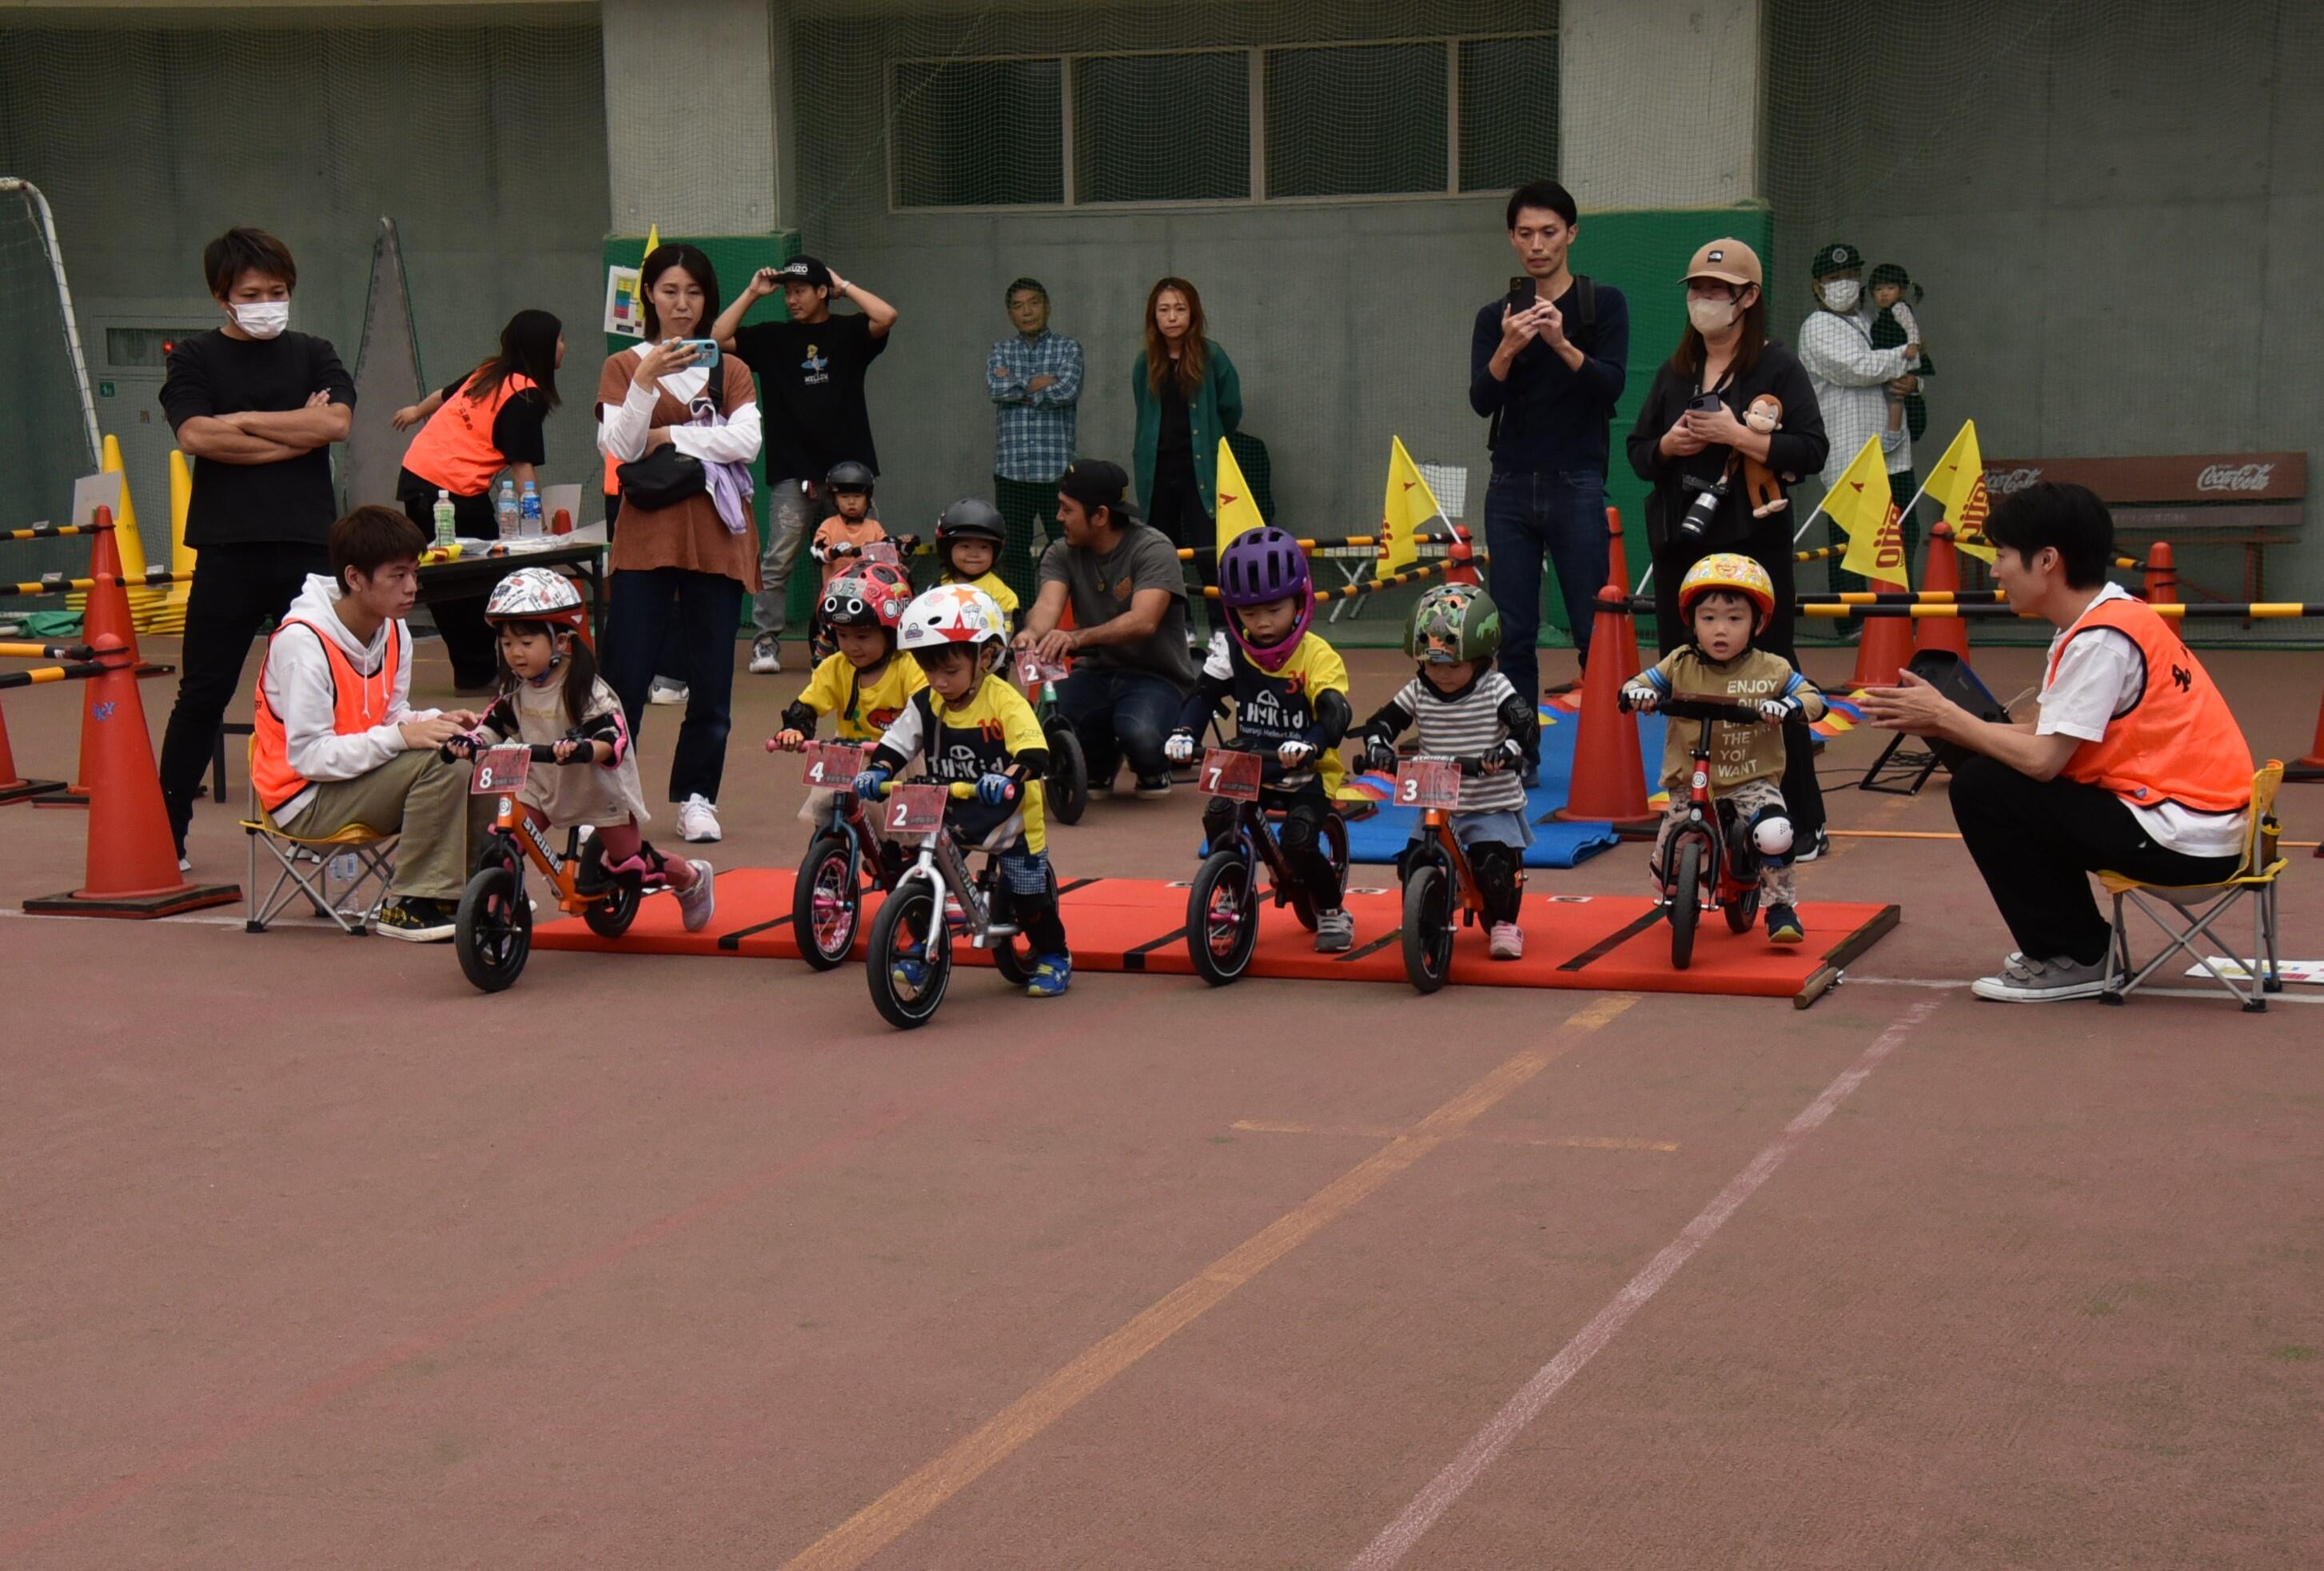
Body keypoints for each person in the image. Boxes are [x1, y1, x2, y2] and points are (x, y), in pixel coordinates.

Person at [1858, 482, 2255, 1003]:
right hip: (2198, 825)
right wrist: (1943, 722)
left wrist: (1949, 718)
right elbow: (2043, 737)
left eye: (2001, 555)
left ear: (2046, 560)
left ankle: (2074, 954)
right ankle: (2080, 947)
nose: (1995, 570)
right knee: (1990, 770)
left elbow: (2043, 761)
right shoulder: (2111, 618)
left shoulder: (2099, 640)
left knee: (1984, 787)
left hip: (2184, 840)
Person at [1625, 237, 1833, 861]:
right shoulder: (1674, 372)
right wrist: (1669, 445)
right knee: (1686, 682)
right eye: (1695, 289)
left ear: (1747, 298)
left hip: (1751, 547)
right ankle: (1708, 819)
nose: (1703, 301)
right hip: (1680, 546)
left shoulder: (1777, 366)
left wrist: (1737, 434)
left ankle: (1799, 820)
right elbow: (1638, 453)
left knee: (1768, 680)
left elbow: (1812, 449)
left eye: (1716, 290)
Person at [157, 226, 356, 863]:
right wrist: (297, 431)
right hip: (227, 547)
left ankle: (323, 824)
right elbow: (195, 437)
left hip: (307, 546)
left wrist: (241, 419)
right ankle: (166, 830)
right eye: (252, 292)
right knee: (204, 693)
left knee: (322, 690)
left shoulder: (313, 350)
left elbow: (337, 422)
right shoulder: (193, 358)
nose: (268, 301)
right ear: (223, 296)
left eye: (278, 290)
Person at [247, 506, 480, 940]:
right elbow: (310, 757)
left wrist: (435, 721)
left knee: (472, 748)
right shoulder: (303, 642)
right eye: (397, 575)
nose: (412, 588)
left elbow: (390, 717)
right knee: (445, 763)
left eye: (414, 572)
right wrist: (401, 737)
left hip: (357, 778)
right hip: (303, 797)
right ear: (354, 578)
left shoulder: (394, 631)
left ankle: (482, 888)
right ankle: (412, 903)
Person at [596, 243, 763, 846]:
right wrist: (645, 384)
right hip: (644, 541)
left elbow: (746, 443)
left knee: (711, 678)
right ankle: (611, 796)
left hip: (717, 541)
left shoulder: (731, 370)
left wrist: (669, 433)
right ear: (648, 295)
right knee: (624, 676)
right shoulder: (623, 365)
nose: (682, 304)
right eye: (669, 290)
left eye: (693, 293)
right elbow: (621, 445)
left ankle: (697, 797)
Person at [452, 567, 716, 931]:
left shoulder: (586, 689)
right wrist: (473, 742)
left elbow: (614, 737)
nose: (515, 653)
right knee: (504, 845)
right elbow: (495, 724)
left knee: (629, 866)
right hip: (543, 785)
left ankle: (690, 878)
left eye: (527, 643)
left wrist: (585, 748)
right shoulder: (517, 690)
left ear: (561, 642)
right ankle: (499, 913)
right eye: (507, 643)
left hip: (597, 788)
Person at [1469, 179, 1632, 738]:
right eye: (1524, 234)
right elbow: (1479, 399)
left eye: (1548, 232)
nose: (1536, 245)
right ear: (1511, 239)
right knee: (1512, 628)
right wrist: (1508, 347)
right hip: (1509, 483)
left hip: (1576, 481)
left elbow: (1610, 386)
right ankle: (1520, 747)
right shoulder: (1495, 315)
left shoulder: (1600, 303)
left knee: (1593, 623)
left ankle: (1608, 750)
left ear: (1571, 234)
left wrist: (1562, 343)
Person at [855, 584, 1073, 999]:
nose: (939, 681)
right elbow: (897, 744)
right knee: (914, 870)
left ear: (986, 657)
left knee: (1029, 898)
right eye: (930, 670)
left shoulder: (1004, 701)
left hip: (1009, 819)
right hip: (952, 810)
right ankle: (923, 941)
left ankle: (1054, 954)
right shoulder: (926, 703)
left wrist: (1007, 777)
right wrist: (878, 770)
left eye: (951, 671)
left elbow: (1033, 751)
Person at [1162, 528, 1355, 952]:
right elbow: (1203, 696)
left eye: (1274, 609)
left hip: (1307, 770)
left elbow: (1335, 711)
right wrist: (1183, 732)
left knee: (1301, 839)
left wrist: (1311, 744)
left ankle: (1331, 908)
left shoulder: (1317, 655)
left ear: (1300, 602)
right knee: (1218, 815)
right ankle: (1230, 883)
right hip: (1251, 761)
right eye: (1249, 614)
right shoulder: (1231, 650)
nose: (1263, 623)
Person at [1622, 554, 1827, 945]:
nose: (1721, 630)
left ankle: (1781, 906)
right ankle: (1673, 887)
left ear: (1758, 623)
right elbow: (1637, 682)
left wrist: (1789, 706)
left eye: (1735, 619)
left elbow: (1813, 697)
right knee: (1671, 855)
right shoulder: (1680, 663)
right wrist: (1639, 695)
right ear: (1692, 622)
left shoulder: (1772, 668)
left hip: (1752, 779)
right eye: (1709, 618)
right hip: (1692, 780)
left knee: (1776, 831)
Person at [709, 256, 899, 676]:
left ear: (821, 292)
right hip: (794, 469)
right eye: (788, 292)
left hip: (851, 474)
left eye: (800, 291)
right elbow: (718, 338)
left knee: (864, 556)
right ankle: (765, 642)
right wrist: (753, 294)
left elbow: (887, 315)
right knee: (778, 559)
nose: (792, 299)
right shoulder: (774, 337)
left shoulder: (849, 331)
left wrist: (842, 283)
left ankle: (861, 637)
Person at [1355, 583, 1541, 960]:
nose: (1442, 674)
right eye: (1432, 663)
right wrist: (1377, 746)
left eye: (1454, 665)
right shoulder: (1419, 690)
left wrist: (1506, 750)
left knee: (1493, 868)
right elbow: (1382, 723)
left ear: (1481, 658)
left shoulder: (1494, 687)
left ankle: (1505, 923)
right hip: (1436, 797)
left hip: (1487, 798)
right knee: (1413, 861)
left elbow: (1526, 726)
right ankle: (1426, 917)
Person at [390, 309, 565, 691]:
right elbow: (523, 469)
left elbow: (442, 395)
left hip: (420, 477)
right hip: (446, 490)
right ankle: (478, 671)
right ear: (542, 347)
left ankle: (479, 668)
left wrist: (416, 411)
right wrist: (539, 526)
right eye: (560, 340)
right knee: (470, 578)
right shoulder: (523, 394)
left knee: (457, 576)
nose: (564, 347)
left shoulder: (489, 373)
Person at [1016, 459, 1199, 799]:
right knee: (1052, 726)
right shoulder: (1061, 552)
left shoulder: (1154, 548)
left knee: (1140, 735)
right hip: (1096, 671)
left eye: (1066, 509)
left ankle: (1151, 769)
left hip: (1155, 674)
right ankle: (1100, 765)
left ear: (1100, 516)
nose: (1059, 518)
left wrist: (1077, 638)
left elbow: (1143, 621)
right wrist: (1032, 633)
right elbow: (1047, 606)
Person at [769, 561, 925, 847]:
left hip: (899, 755)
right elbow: (810, 703)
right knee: (827, 810)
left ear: (891, 632)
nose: (852, 646)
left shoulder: (907, 668)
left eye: (863, 636)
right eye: (843, 635)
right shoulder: (835, 667)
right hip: (851, 751)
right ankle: (830, 859)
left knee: (910, 834)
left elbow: (925, 707)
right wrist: (796, 729)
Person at [1798, 241, 1923, 591]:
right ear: (1817, 285)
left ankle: (1899, 616)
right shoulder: (1817, 327)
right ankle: (1849, 623)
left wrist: (1914, 383)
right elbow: (1856, 369)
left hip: (1892, 449)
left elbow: (1907, 373)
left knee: (1901, 532)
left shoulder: (1873, 320)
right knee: (1851, 541)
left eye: (1852, 275)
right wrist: (1908, 355)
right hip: (1850, 451)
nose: (1845, 283)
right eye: (1835, 277)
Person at [1130, 277, 1241, 556]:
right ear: (1153, 316)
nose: (1172, 317)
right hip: (1158, 470)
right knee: (1161, 555)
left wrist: (1210, 438)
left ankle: (1216, 602)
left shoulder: (1212, 355)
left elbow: (1231, 409)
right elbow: (1143, 415)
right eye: (1163, 309)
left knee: (1208, 553)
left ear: (1193, 313)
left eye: (1180, 309)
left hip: (1200, 468)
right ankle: (1175, 604)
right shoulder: (1146, 362)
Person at [987, 277, 1082, 604]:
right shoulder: (1001, 349)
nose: (1027, 311)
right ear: (1010, 314)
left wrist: (1018, 387)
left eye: (1034, 303)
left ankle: (1069, 618)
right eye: (1018, 305)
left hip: (1056, 472)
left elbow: (1067, 390)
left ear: (1047, 307)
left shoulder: (1068, 347)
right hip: (1011, 472)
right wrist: (1041, 384)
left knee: (1067, 548)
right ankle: (1023, 619)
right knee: (1013, 554)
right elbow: (995, 389)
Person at [803, 461, 891, 663]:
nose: (851, 502)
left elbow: (887, 553)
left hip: (871, 595)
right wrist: (833, 552)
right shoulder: (829, 526)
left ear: (867, 498)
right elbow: (817, 553)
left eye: (857, 497)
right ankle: (821, 661)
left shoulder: (874, 527)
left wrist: (899, 546)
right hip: (835, 592)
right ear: (834, 499)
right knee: (829, 629)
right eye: (844, 497)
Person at [1866, 263, 1927, 453]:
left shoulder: (1900, 309)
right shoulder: (1878, 317)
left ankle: (1894, 432)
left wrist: (1913, 346)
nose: (1884, 293)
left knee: (1895, 394)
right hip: (1895, 363)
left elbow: (1912, 328)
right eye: (1879, 289)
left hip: (1903, 360)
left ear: (1901, 291)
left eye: (1890, 288)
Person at [933, 497, 1019, 623]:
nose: (974, 554)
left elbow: (1006, 637)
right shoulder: (937, 588)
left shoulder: (1003, 596)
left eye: (983, 547)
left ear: (995, 551)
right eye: (965, 546)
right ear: (947, 549)